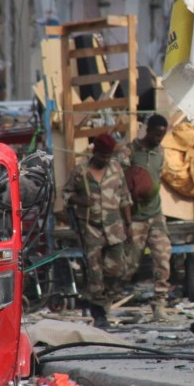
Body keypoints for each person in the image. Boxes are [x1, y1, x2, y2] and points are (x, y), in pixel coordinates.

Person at [63, 133, 132, 328]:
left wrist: (128, 224)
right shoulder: (81, 171)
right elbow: (67, 194)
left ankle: (102, 299)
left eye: (109, 156)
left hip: (115, 227)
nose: (106, 160)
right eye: (103, 156)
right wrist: (80, 200)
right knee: (95, 274)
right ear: (95, 152)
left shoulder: (116, 168)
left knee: (119, 270)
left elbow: (125, 197)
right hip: (91, 228)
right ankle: (99, 313)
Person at [119, 115, 171, 321]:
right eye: (156, 134)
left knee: (163, 260)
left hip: (156, 215)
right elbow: (121, 186)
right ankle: (105, 302)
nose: (159, 138)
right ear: (147, 130)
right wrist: (127, 220)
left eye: (162, 135)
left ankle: (159, 305)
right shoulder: (129, 152)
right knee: (128, 265)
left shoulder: (160, 153)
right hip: (136, 217)